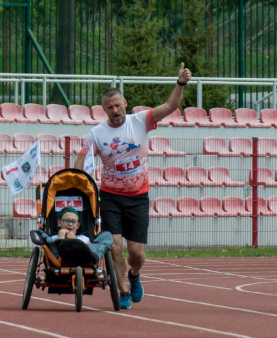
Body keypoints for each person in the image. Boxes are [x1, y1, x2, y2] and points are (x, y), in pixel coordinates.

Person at [73, 63, 192, 310]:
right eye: (109, 108)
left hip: (138, 197)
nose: (115, 111)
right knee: (114, 246)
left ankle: (135, 274)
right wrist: (75, 182)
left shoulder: (140, 121)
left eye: (118, 105)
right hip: (111, 197)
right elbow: (81, 162)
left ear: (125, 103)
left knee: (137, 254)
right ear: (103, 110)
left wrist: (180, 84)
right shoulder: (96, 134)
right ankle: (123, 289)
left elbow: (170, 107)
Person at [45, 207, 112, 262]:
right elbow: (53, 254)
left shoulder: (83, 238)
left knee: (106, 235)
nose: (70, 224)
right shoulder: (53, 238)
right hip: (61, 260)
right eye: (67, 221)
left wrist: (74, 239)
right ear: (59, 223)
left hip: (84, 260)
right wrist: (61, 237)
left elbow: (87, 251)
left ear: (78, 225)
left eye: (73, 222)